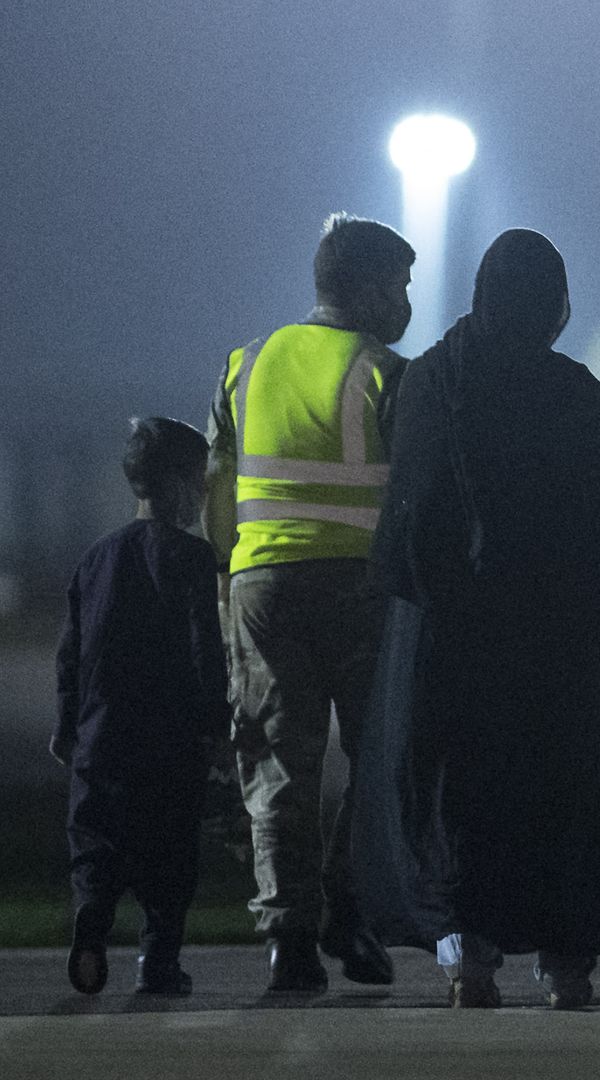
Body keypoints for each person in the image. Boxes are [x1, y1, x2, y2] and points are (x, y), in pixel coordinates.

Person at [354, 228, 600, 1010]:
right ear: (554, 306)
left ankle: (469, 956)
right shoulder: (583, 400)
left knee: (459, 799)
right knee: (561, 799)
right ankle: (567, 963)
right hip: (557, 649)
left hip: (456, 646)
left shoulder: (433, 383)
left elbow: (411, 517)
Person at [203, 213, 411, 992]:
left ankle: (289, 940)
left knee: (278, 766)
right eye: (398, 286)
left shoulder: (244, 364)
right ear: (364, 288)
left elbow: (218, 488)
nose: (404, 301)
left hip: (260, 584)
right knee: (380, 759)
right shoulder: (386, 371)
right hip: (359, 588)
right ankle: (346, 908)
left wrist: (229, 582)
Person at [55, 418, 230, 996]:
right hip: (168, 743)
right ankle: (158, 961)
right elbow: (208, 649)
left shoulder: (96, 558)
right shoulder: (192, 559)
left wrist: (66, 728)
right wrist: (216, 727)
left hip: (99, 736)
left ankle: (92, 918)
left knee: (96, 845)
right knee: (170, 858)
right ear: (180, 483)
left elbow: (71, 655)